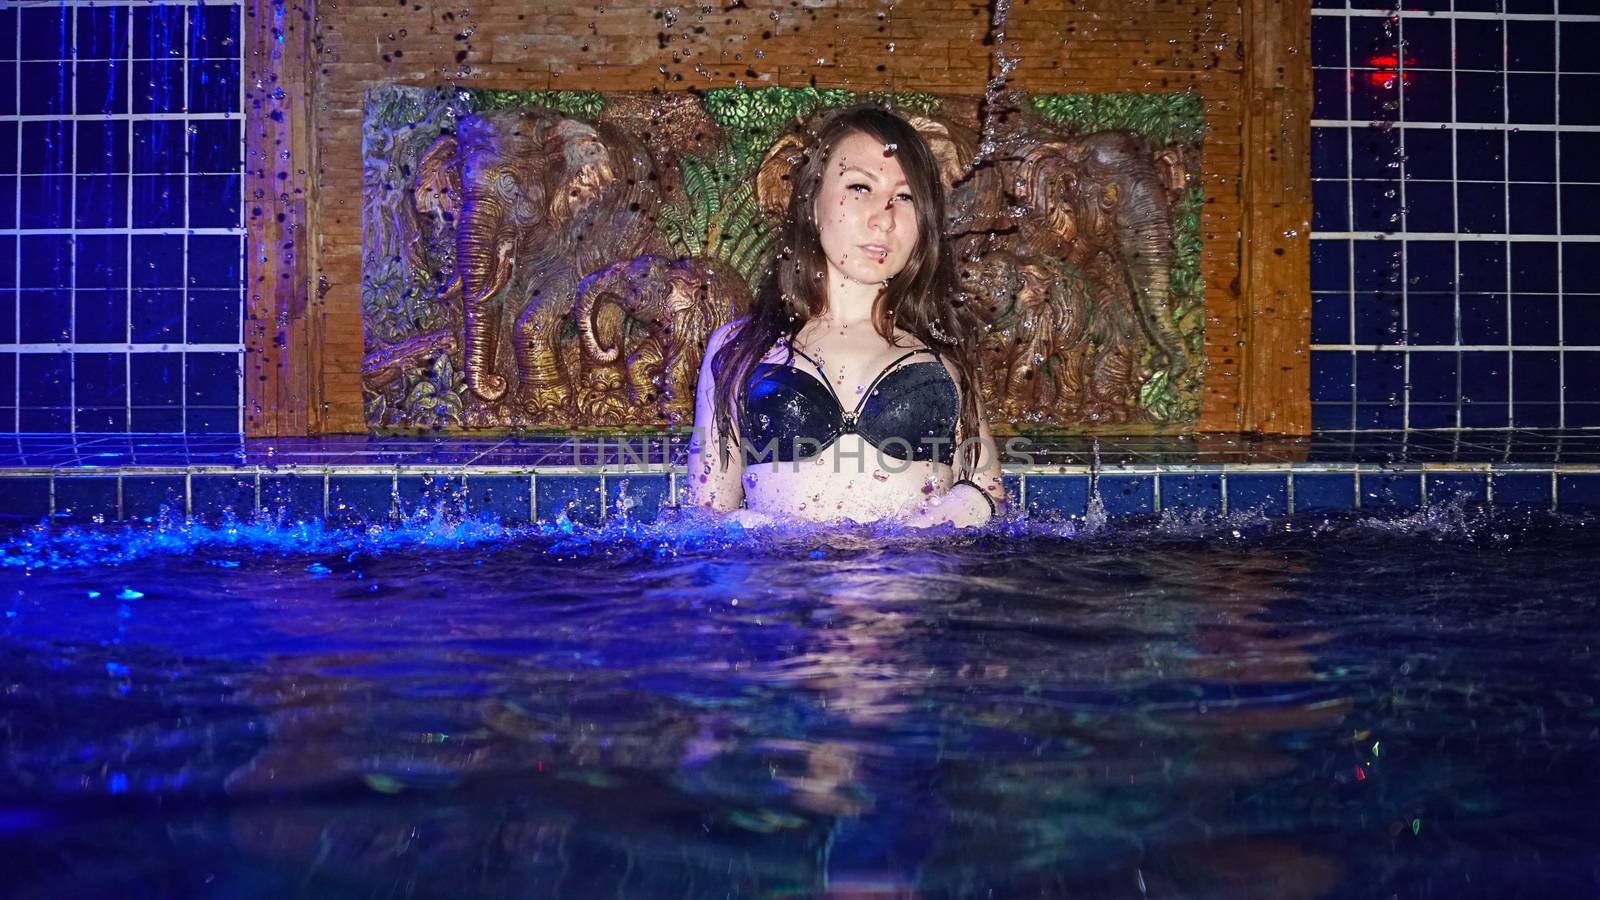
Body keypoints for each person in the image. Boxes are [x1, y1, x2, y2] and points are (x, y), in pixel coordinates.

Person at [685, 107, 1006, 527]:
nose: (884, 217)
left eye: (905, 197)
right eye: (860, 187)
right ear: (812, 204)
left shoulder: (944, 354)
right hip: (785, 585)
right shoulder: (738, 350)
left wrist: (944, 521)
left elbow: (990, 499)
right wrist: (754, 536)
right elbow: (706, 515)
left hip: (916, 585)